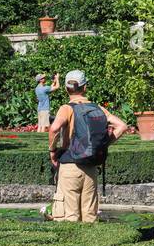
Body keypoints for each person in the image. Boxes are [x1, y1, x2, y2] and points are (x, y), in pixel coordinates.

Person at [47, 70, 128, 223]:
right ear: (85, 88)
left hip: (70, 166)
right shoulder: (97, 108)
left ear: (65, 89)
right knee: (89, 217)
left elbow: (54, 129)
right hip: (90, 168)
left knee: (69, 218)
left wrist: (52, 150)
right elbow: (122, 126)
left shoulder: (66, 108)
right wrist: (103, 144)